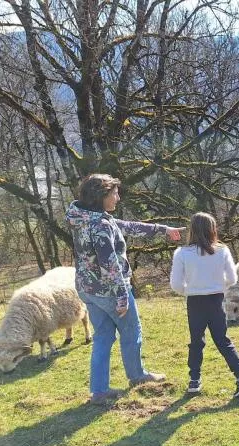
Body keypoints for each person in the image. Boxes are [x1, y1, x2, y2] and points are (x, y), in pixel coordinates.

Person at [66, 173, 184, 404]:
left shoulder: (83, 218)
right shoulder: (100, 225)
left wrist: (163, 229)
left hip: (88, 289)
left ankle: (99, 391)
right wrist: (122, 297)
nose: (118, 198)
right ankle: (137, 376)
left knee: (102, 337)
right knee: (131, 331)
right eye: (114, 193)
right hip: (110, 291)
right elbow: (110, 266)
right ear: (102, 196)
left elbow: (127, 226)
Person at [170, 212, 239, 397]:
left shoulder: (182, 254)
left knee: (196, 341)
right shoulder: (222, 251)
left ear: (192, 230)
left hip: (195, 301)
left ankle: (194, 381)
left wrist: (190, 290)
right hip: (216, 300)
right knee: (223, 340)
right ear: (212, 229)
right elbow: (232, 278)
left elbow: (175, 284)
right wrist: (217, 287)